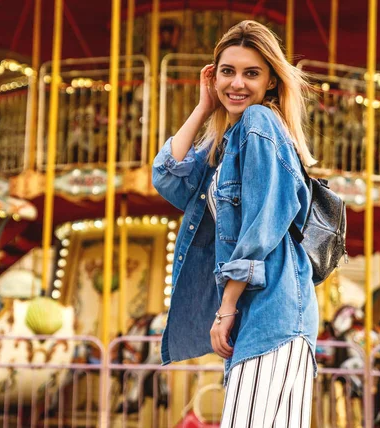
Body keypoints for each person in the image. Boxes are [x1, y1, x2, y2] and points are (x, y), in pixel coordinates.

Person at [152, 20, 319, 427]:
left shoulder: (260, 123)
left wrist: (226, 307)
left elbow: (262, 227)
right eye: (228, 71)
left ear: (271, 82)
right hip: (259, 316)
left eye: (251, 73)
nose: (237, 83)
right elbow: (168, 176)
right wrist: (204, 106)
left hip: (273, 311)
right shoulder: (227, 141)